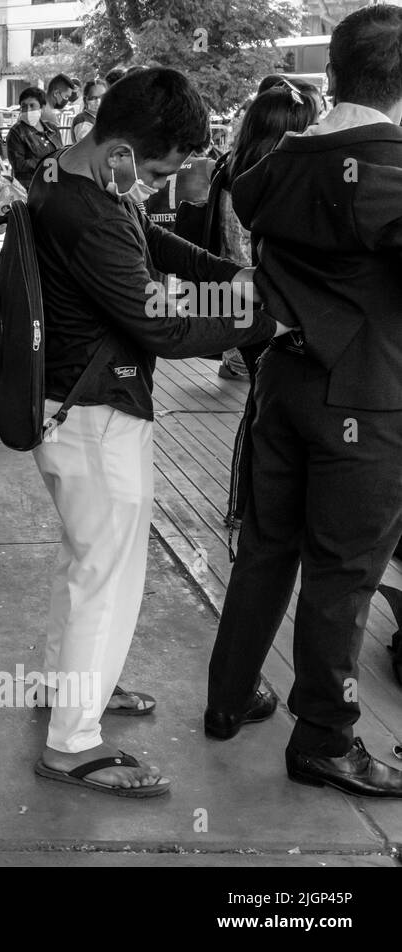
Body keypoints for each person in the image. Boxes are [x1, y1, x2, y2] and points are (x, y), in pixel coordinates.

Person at [26, 67, 289, 798]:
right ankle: (73, 742)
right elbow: (163, 325)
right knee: (105, 580)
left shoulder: (66, 176)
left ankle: (70, 687)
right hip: (96, 413)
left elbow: (160, 248)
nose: (153, 185)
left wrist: (235, 276)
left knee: (82, 563)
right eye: (152, 169)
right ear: (116, 149)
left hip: (69, 409)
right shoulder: (93, 214)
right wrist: (265, 317)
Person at [205, 4, 402, 799]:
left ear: (332, 73)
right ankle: (324, 737)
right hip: (368, 396)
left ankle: (228, 698)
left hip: (281, 384)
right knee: (343, 573)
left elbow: (251, 205)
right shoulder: (387, 166)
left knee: (266, 548)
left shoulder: (281, 161)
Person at [203, 79, 317, 378]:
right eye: (312, 125)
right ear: (290, 131)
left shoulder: (232, 166)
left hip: (236, 296)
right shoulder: (275, 181)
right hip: (264, 304)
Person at [6, 87, 64, 190]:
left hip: (54, 186)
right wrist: (49, 164)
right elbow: (19, 164)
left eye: (32, 106)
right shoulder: (16, 132)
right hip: (31, 188)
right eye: (24, 106)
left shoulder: (53, 129)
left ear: (41, 108)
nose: (28, 110)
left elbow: (61, 154)